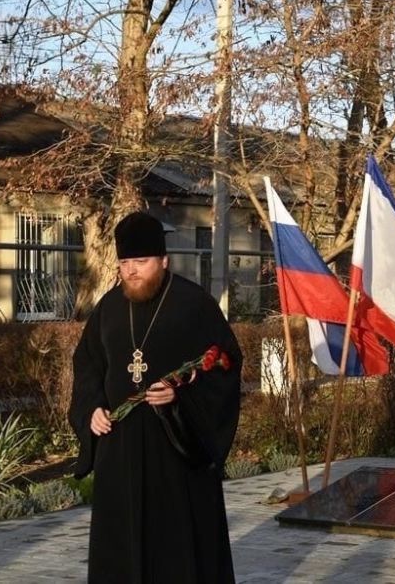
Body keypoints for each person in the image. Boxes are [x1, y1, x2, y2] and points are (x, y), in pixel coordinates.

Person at [69, 211, 243, 583]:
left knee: (177, 550)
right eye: (125, 262)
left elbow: (225, 365)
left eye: (141, 262)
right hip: (120, 452)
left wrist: (180, 396)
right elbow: (87, 366)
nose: (131, 271)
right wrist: (91, 409)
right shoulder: (109, 309)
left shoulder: (194, 305)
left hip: (176, 452)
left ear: (164, 261)